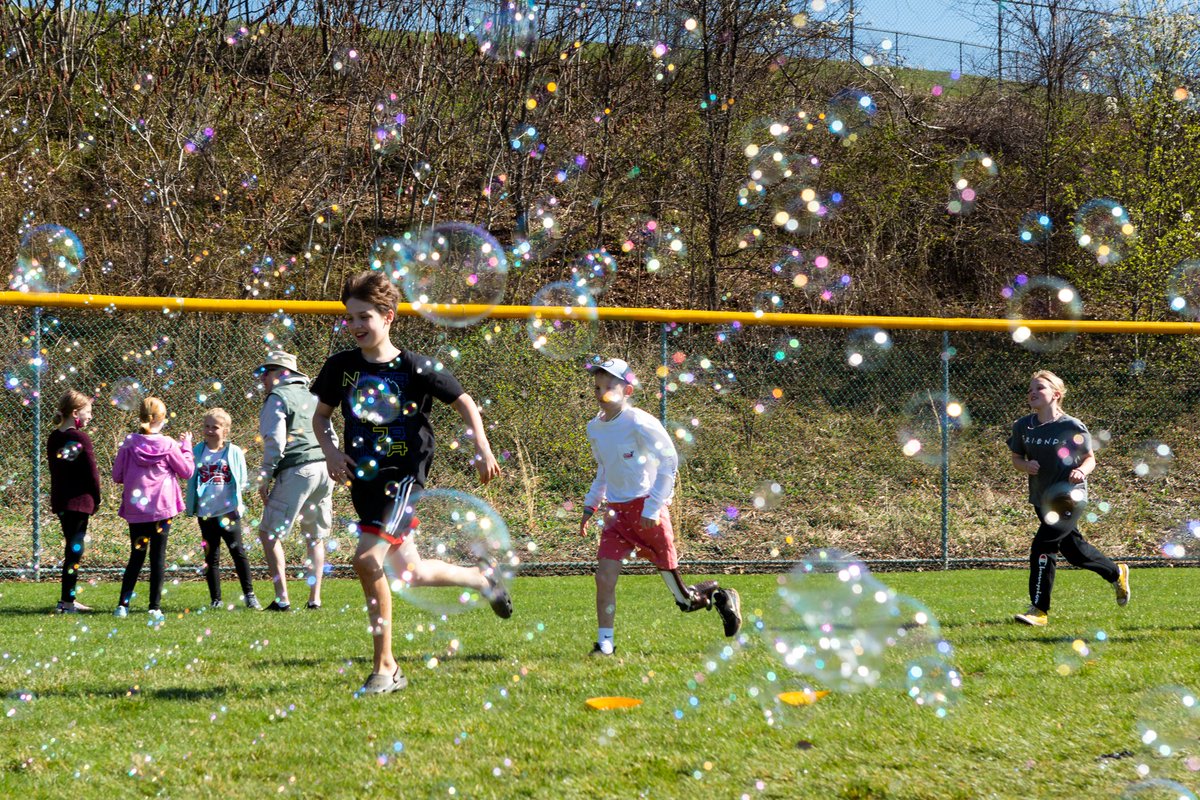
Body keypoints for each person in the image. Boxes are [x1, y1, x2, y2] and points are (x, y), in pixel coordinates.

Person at [311, 271, 508, 696]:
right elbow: (320, 417)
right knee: (411, 573)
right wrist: (329, 451)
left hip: (403, 482)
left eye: (365, 316)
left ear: (389, 316)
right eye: (350, 319)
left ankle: (387, 667)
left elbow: (465, 402)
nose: (357, 325)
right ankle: (482, 579)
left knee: (366, 560)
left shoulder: (415, 367)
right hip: (365, 484)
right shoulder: (341, 368)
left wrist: (483, 448)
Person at [579, 357, 741, 656]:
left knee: (683, 602)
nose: (602, 392)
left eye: (610, 385)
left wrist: (653, 507)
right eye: (597, 386)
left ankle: (719, 595)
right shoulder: (595, 428)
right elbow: (603, 469)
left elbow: (669, 461)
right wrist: (591, 505)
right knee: (603, 578)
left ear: (627, 391)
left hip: (646, 513)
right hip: (615, 515)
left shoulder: (639, 422)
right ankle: (605, 645)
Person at [1008, 370, 1129, 626]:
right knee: (1075, 552)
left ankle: (1039, 610)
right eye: (1030, 389)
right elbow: (1017, 458)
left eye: (1039, 388)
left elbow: (1089, 458)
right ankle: (1116, 573)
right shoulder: (1023, 426)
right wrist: (1024, 466)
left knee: (1043, 546)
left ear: (1056, 394)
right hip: (1041, 498)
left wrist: (1081, 471)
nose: (1032, 392)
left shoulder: (1071, 426)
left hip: (1069, 497)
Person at [255, 351, 333, 611]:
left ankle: (282, 599)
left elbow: (275, 442)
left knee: (268, 533)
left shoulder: (277, 398)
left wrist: (265, 475)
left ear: (282, 373)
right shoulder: (314, 397)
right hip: (325, 469)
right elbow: (329, 433)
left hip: (298, 471)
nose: (263, 377)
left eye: (267, 371)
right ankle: (315, 599)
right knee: (315, 537)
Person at [112, 397, 194, 619]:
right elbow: (187, 471)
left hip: (136, 509)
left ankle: (122, 606)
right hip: (162, 507)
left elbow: (117, 476)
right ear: (162, 418)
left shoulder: (129, 443)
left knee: (136, 556)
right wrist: (186, 447)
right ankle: (154, 607)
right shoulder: (168, 444)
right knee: (158, 557)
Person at [185, 408, 260, 610]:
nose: (210, 430)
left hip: (229, 512)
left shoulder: (233, 452)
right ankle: (216, 599)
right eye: (206, 426)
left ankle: (250, 595)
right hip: (206, 514)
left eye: (215, 427)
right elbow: (189, 475)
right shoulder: (197, 451)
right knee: (212, 557)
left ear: (225, 431)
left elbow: (242, 479)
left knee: (238, 553)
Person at [47, 390, 102, 614]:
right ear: (75, 412)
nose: (90, 417)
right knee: (74, 552)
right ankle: (67, 603)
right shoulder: (80, 438)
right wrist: (97, 498)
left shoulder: (54, 437)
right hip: (79, 503)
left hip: (62, 501)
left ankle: (67, 599)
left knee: (72, 550)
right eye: (88, 412)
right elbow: (92, 473)